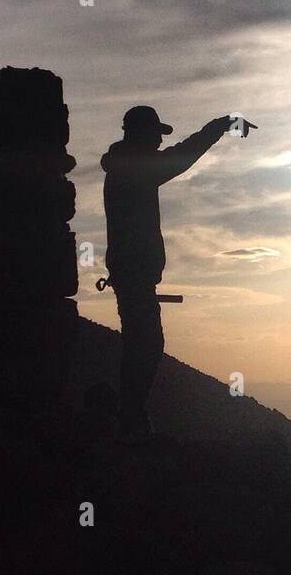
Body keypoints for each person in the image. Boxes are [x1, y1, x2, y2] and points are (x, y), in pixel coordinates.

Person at [101, 105, 255, 439]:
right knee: (146, 343)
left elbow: (177, 156)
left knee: (142, 343)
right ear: (140, 134)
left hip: (133, 274)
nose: (159, 141)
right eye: (155, 134)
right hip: (134, 276)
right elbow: (182, 155)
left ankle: (129, 415)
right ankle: (129, 418)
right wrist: (219, 125)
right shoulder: (133, 170)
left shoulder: (125, 168)